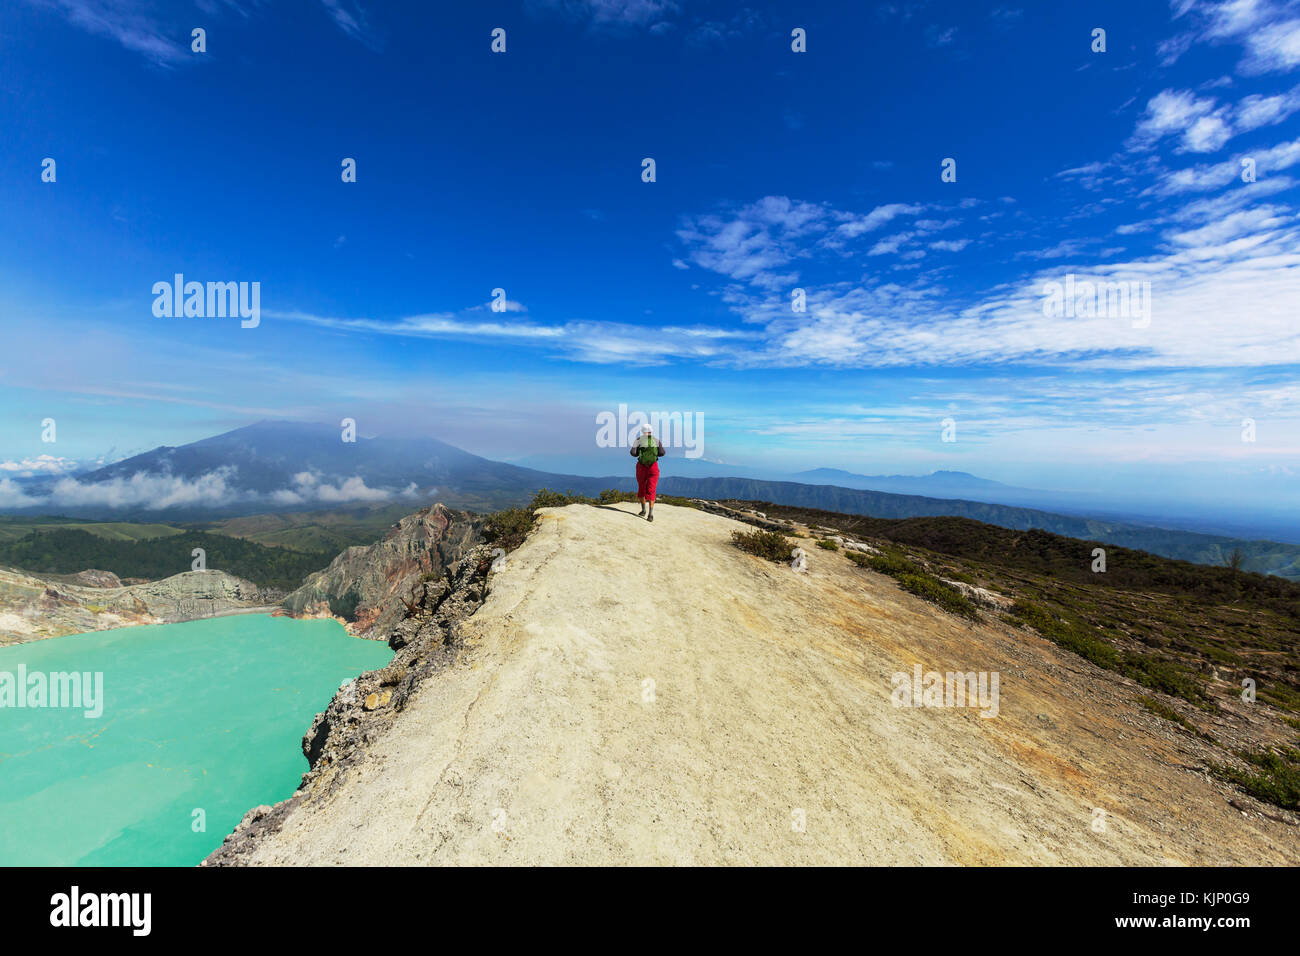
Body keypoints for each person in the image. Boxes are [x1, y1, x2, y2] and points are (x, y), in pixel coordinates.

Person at [629, 422, 666, 521]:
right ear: (651, 431)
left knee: (642, 487)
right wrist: (654, 455)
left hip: (641, 467)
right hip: (653, 467)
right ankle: (650, 514)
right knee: (651, 489)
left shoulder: (638, 440)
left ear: (642, 431)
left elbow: (633, 453)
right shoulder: (656, 440)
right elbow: (662, 453)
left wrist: (640, 453)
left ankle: (643, 510)